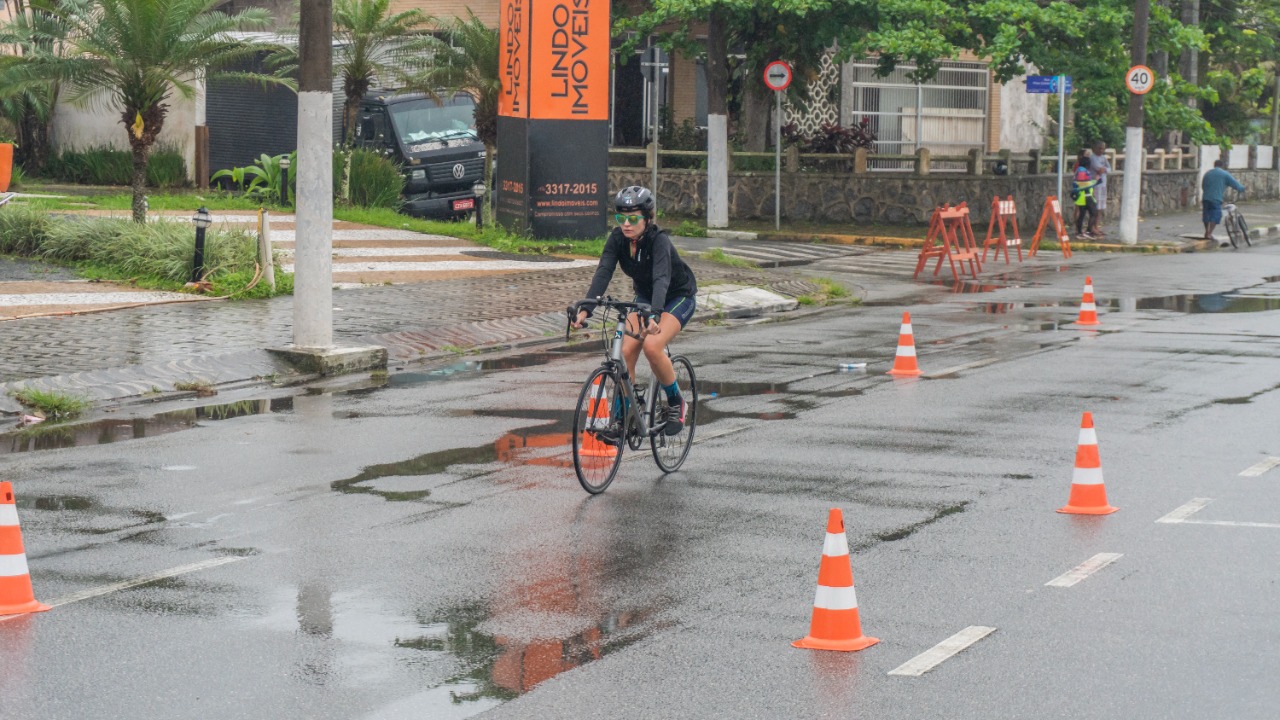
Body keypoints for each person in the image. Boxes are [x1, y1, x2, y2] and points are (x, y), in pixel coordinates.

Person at [572, 186, 698, 435]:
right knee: (625, 352)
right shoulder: (617, 239)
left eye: (633, 218)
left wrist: (655, 314)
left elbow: (661, 278)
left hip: (677, 297)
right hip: (644, 298)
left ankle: (676, 402)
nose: (626, 224)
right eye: (621, 218)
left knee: (652, 346)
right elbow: (604, 272)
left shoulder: (658, 240)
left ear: (647, 218)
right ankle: (621, 417)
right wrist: (586, 308)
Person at [1201, 159, 1245, 246]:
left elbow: (1203, 185)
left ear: (1214, 165)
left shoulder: (1208, 173)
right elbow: (1236, 184)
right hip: (1216, 199)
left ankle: (1206, 232)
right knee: (1216, 215)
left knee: (1207, 215)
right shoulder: (1224, 174)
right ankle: (1209, 233)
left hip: (1205, 198)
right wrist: (1242, 188)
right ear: (1222, 166)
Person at [1070, 149, 1099, 240]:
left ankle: (1081, 232)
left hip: (1083, 196)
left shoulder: (1080, 170)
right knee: (1093, 213)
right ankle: (1086, 232)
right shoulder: (1082, 171)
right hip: (1085, 196)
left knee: (1083, 214)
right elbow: (1083, 184)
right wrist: (1095, 181)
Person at [1089, 141, 1110, 236]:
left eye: (1103, 148)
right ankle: (1092, 227)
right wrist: (1103, 169)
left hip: (1103, 185)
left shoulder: (1104, 158)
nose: (1101, 150)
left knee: (1101, 207)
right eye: (1100, 148)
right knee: (1095, 207)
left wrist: (1104, 169)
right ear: (1095, 148)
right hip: (1095, 185)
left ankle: (1097, 226)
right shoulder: (1092, 158)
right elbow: (1098, 168)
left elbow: (1109, 169)